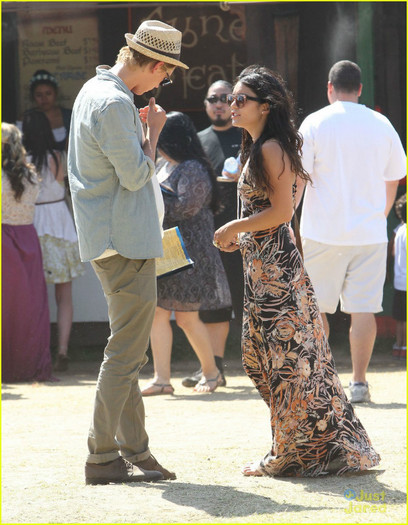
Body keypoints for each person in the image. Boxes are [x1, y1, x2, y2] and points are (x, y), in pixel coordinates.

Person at [213, 65, 381, 477]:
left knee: (286, 364)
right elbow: (265, 210)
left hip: (278, 272)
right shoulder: (255, 146)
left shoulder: (270, 148)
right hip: (262, 269)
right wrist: (243, 234)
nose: (231, 106)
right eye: (230, 99)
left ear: (265, 106)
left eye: (240, 100)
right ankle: (306, 449)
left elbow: (284, 211)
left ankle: (289, 454)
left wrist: (236, 227)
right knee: (267, 361)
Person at [68, 20, 188, 485]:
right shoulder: (116, 101)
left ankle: (136, 450)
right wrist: (153, 133)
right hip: (124, 240)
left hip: (110, 238)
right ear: (155, 64)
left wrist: (139, 133)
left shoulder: (94, 92)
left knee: (128, 349)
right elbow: (138, 176)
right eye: (166, 74)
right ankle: (101, 455)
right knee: (125, 352)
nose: (163, 83)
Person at [296, 60, 406, 403]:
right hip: (369, 232)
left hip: (321, 229)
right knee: (363, 310)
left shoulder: (314, 122)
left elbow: (300, 177)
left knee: (317, 311)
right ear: (360, 89)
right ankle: (359, 383)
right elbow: (395, 177)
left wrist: (288, 219)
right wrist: (381, 215)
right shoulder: (381, 123)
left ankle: (323, 382)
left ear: (330, 88)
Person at [141, 112, 231, 396]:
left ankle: (212, 373)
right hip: (167, 249)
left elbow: (185, 208)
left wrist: (150, 195)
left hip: (192, 254)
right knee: (157, 313)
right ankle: (161, 380)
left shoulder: (193, 168)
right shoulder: (163, 164)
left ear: (172, 139)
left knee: (186, 318)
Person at [181, 80, 243, 389]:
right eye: (213, 99)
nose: (219, 103)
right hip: (208, 231)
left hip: (245, 229)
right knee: (212, 300)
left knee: (249, 298)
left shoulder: (248, 137)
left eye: (225, 98)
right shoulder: (198, 140)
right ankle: (214, 366)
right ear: (205, 105)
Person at [22, 110, 85, 372]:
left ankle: (34, 348)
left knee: (33, 294)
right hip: (60, 223)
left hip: (34, 222)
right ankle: (62, 349)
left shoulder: (20, 163)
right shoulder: (59, 157)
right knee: (64, 295)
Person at [1, 123, 54, 383]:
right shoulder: (31, 175)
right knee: (30, 305)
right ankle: (27, 363)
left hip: (4, 240)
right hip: (28, 238)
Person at [18, 70, 72, 151]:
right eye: (39, 95)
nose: (44, 99)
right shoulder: (25, 119)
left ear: (56, 93)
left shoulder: (69, 117)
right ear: (33, 96)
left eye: (48, 93)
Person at [390, 194, 406, 359]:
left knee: (401, 318)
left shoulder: (400, 230)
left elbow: (394, 252)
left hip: (399, 280)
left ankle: (399, 346)